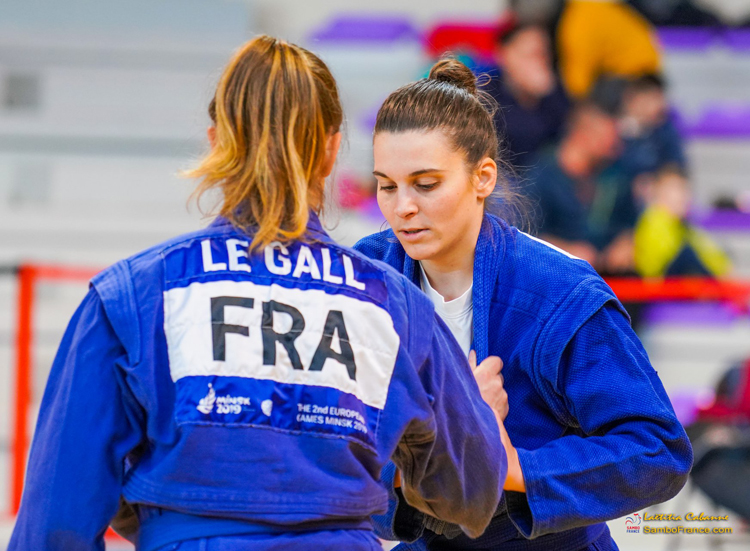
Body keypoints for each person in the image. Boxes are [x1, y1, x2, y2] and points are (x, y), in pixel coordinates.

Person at [9, 36, 509, 551]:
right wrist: (480, 424)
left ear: (216, 141)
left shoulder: (132, 297)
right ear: (332, 149)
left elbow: (53, 527)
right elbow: (470, 495)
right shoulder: (394, 305)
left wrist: (163, 511)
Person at [354, 58, 693, 550]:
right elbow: (326, 442)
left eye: (426, 184)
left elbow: (658, 451)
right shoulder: (365, 277)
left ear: (483, 178)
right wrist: (432, 458)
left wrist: (513, 467)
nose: (402, 206)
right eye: (387, 185)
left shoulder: (561, 291)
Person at [525, 101, 638, 274]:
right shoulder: (541, 175)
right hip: (557, 274)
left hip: (611, 276)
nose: (614, 148)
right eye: (605, 140)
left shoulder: (615, 173)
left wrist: (625, 243)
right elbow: (526, 236)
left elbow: (630, 221)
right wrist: (566, 251)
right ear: (582, 135)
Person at [483, 23, 570, 170]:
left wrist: (546, 96)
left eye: (544, 54)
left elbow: (567, 139)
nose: (540, 62)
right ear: (506, 55)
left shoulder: (555, 93)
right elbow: (516, 152)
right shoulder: (486, 95)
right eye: (532, 54)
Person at [634, 164, 731, 277]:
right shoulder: (653, 221)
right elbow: (654, 270)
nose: (683, 196)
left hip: (681, 288)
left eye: (684, 189)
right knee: (687, 254)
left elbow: (720, 263)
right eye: (675, 189)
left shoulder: (684, 226)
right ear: (658, 192)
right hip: (662, 290)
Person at [557, 0, 662, 98]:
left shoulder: (587, 16)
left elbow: (578, 85)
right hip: (640, 80)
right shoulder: (589, 15)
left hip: (642, 80)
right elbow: (578, 84)